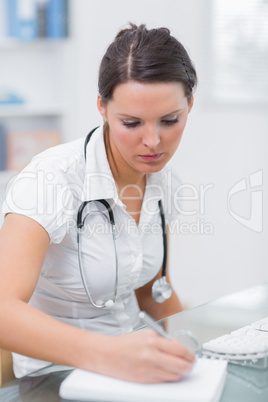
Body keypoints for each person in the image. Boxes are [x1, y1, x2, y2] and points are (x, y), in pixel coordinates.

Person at [0, 23, 197, 384]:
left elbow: (153, 292)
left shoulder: (164, 183)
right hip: (55, 378)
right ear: (102, 108)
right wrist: (109, 355)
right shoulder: (50, 179)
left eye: (170, 120)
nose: (152, 141)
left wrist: (196, 354)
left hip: (135, 373)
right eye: (132, 122)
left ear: (190, 105)